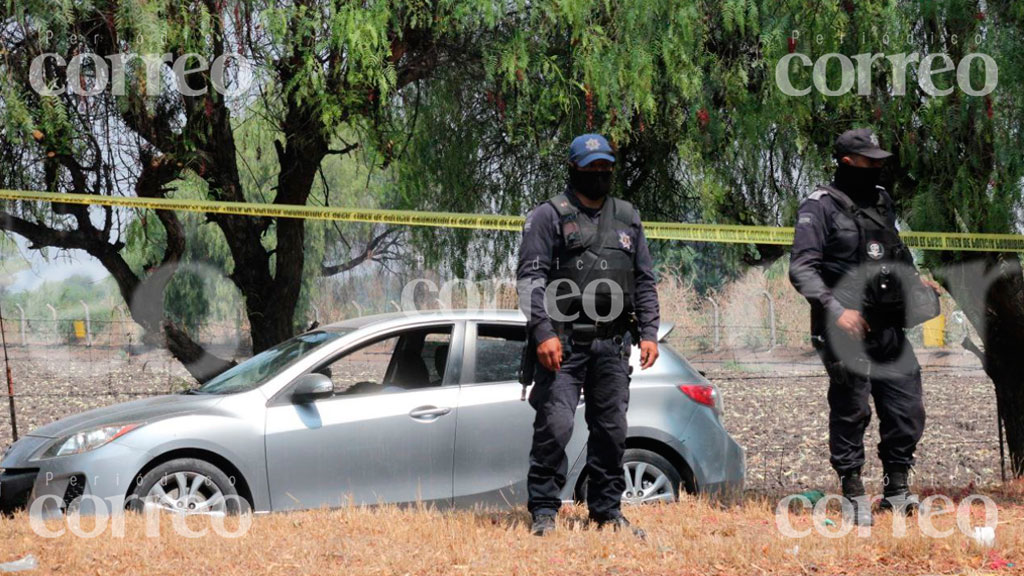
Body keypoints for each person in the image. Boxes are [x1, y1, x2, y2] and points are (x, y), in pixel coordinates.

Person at [789, 128, 941, 526]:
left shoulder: (881, 201)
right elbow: (802, 269)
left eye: (879, 160)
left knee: (907, 409)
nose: (878, 166)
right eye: (869, 160)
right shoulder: (819, 206)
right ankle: (853, 490)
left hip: (888, 324)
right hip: (844, 329)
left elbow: (892, 252)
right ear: (846, 162)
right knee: (851, 410)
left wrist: (916, 281)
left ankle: (896, 489)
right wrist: (836, 310)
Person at [516, 133, 661, 537]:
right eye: (591, 167)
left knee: (612, 430)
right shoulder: (548, 216)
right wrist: (542, 332)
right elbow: (530, 279)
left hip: (613, 344)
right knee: (555, 426)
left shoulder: (628, 216)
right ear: (574, 168)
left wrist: (649, 332)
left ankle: (607, 511)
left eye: (605, 168)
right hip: (560, 343)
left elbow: (645, 280)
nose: (599, 174)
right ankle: (544, 510)